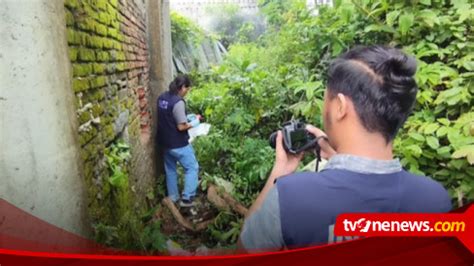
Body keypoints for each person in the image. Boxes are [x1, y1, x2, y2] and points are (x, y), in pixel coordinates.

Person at [238, 45, 452, 252]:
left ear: (340, 106)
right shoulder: (435, 199)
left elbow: (244, 254)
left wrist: (280, 172)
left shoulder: (290, 197)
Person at [157, 75, 200, 207]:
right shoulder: (178, 102)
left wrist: (187, 117)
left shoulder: (162, 97)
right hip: (178, 144)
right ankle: (187, 199)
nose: (187, 92)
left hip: (164, 143)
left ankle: (173, 198)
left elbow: (169, 116)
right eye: (187, 89)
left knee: (170, 170)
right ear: (182, 87)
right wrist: (195, 122)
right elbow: (181, 126)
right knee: (192, 167)